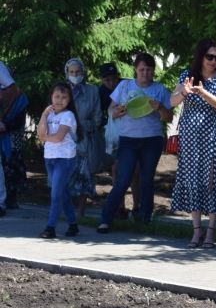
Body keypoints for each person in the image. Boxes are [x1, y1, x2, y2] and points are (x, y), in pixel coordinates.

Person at [97, 53, 173, 231]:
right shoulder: (124, 86)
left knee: (146, 180)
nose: (145, 73)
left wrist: (160, 107)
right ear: (135, 70)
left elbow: (168, 118)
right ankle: (106, 218)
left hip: (152, 141)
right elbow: (111, 109)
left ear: (154, 70)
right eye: (141, 70)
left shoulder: (160, 89)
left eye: (148, 69)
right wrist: (115, 112)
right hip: (128, 140)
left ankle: (144, 220)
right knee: (122, 179)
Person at [169, 39, 216, 248]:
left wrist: (202, 91)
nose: (214, 61)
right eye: (209, 56)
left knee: (212, 181)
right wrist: (184, 92)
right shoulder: (187, 76)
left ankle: (211, 232)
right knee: (192, 179)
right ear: (201, 56)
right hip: (190, 138)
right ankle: (196, 232)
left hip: (212, 137)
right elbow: (172, 102)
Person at [37, 83, 81, 238]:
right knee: (62, 193)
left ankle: (50, 227)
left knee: (55, 194)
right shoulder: (49, 114)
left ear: (69, 100)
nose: (59, 100)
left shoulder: (68, 115)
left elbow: (58, 137)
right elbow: (40, 132)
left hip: (64, 159)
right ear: (51, 97)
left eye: (64, 97)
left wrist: (44, 138)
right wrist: (43, 115)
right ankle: (73, 225)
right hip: (49, 157)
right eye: (57, 96)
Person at [63, 57, 105, 217]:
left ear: (83, 72)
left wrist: (87, 126)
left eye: (78, 71)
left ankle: (81, 210)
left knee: (85, 174)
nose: (75, 74)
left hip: (86, 137)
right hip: (65, 136)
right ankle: (67, 210)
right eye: (72, 72)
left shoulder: (92, 90)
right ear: (67, 73)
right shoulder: (62, 89)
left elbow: (97, 116)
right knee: (67, 173)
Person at [99, 61, 139, 218]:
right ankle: (119, 207)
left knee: (136, 170)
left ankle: (137, 206)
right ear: (102, 80)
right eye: (107, 80)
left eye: (113, 79)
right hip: (114, 136)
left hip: (132, 132)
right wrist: (107, 122)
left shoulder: (126, 85)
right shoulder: (101, 92)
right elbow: (100, 114)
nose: (111, 83)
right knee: (116, 169)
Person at [1, 60, 28, 214]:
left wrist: (5, 126)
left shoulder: (19, 96)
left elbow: (20, 119)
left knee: (11, 167)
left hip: (12, 137)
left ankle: (12, 199)